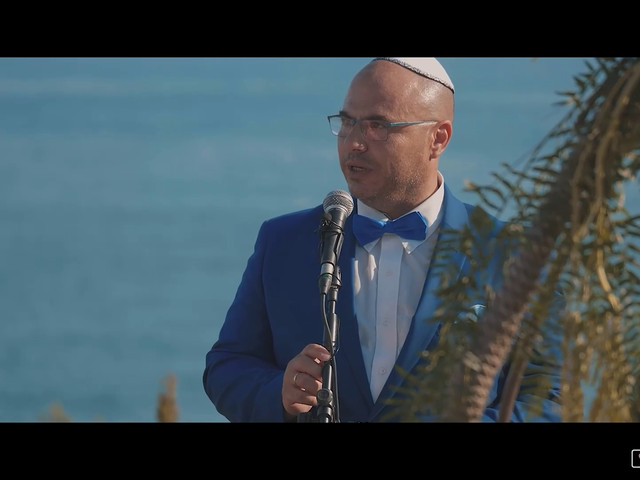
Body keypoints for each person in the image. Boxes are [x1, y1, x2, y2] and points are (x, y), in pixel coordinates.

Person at [203, 57, 562, 422]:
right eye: (347, 122)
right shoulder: (283, 242)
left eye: (378, 126)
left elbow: (548, 401)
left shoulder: (513, 255)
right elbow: (227, 367)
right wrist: (277, 393)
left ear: (437, 138)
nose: (354, 143)